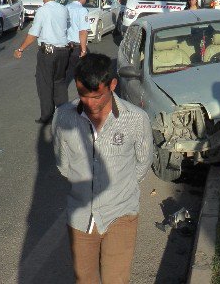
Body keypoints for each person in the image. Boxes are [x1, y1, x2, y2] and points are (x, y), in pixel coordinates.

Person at [52, 53, 153, 284]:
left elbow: (142, 162)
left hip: (121, 214)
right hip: (80, 216)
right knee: (84, 279)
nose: (89, 103)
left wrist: (119, 188)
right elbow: (63, 164)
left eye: (97, 95)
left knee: (116, 280)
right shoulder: (64, 117)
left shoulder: (136, 119)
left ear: (112, 85)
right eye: (82, 95)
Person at [14, 0, 70, 124]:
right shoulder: (64, 9)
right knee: (60, 82)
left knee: (45, 84)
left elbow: (33, 33)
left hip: (48, 52)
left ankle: (47, 115)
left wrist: (20, 49)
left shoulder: (42, 11)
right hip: (63, 51)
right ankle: (64, 113)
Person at [65, 0, 90, 81]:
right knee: (83, 75)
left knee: (66, 72)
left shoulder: (65, 7)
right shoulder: (82, 10)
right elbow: (83, 31)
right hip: (77, 46)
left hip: (65, 44)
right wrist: (83, 50)